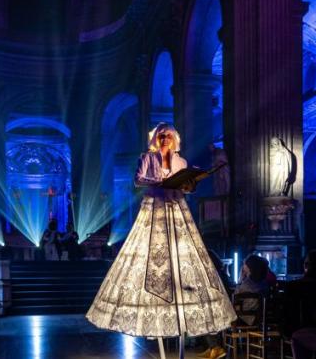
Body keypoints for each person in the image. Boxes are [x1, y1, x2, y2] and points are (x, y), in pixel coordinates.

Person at [87, 123, 236, 339]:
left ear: (175, 138)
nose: (164, 138)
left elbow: (184, 186)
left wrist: (188, 184)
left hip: (176, 207)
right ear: (156, 138)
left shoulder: (181, 161)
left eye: (168, 135)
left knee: (181, 255)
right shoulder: (147, 158)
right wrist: (161, 182)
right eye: (161, 135)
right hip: (154, 206)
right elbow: (138, 179)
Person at [235, 254, 271, 326]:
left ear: (248, 267)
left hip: (245, 318)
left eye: (244, 263)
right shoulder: (264, 283)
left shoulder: (246, 284)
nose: (243, 265)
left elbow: (235, 298)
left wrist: (240, 281)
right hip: (261, 317)